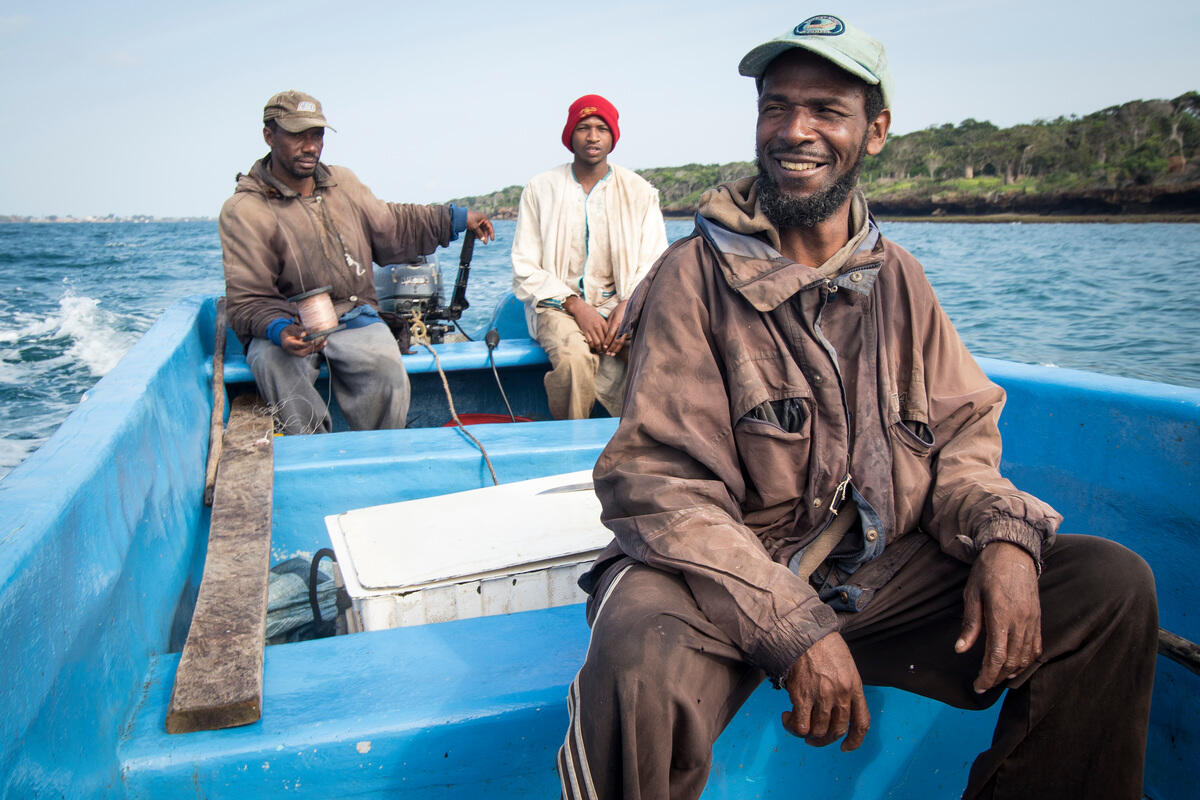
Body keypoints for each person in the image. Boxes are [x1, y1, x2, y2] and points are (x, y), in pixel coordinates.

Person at [558, 16, 1158, 800]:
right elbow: (660, 489)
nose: (794, 131)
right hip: (730, 575)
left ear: (873, 131)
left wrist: (1007, 540)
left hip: (878, 576)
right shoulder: (691, 278)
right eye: (776, 107)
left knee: (1109, 587)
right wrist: (791, 623)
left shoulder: (900, 279)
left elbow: (962, 444)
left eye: (826, 111)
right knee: (638, 649)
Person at [220, 90, 494, 434]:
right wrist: (279, 331)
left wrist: (455, 218)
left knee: (386, 367)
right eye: (297, 135)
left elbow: (391, 225)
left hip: (351, 314)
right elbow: (246, 300)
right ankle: (309, 452)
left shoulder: (342, 183)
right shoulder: (244, 210)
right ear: (269, 135)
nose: (310, 146)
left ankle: (382, 452)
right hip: (284, 326)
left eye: (316, 135)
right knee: (274, 365)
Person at [511, 94, 668, 420]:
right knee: (573, 360)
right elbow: (525, 267)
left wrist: (627, 308)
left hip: (622, 306)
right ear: (570, 135)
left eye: (601, 128)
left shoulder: (640, 191)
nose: (593, 136)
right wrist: (577, 306)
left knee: (658, 354)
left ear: (613, 137)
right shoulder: (540, 189)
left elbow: (654, 263)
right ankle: (571, 443)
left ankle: (644, 444)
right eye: (583, 127)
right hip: (557, 306)